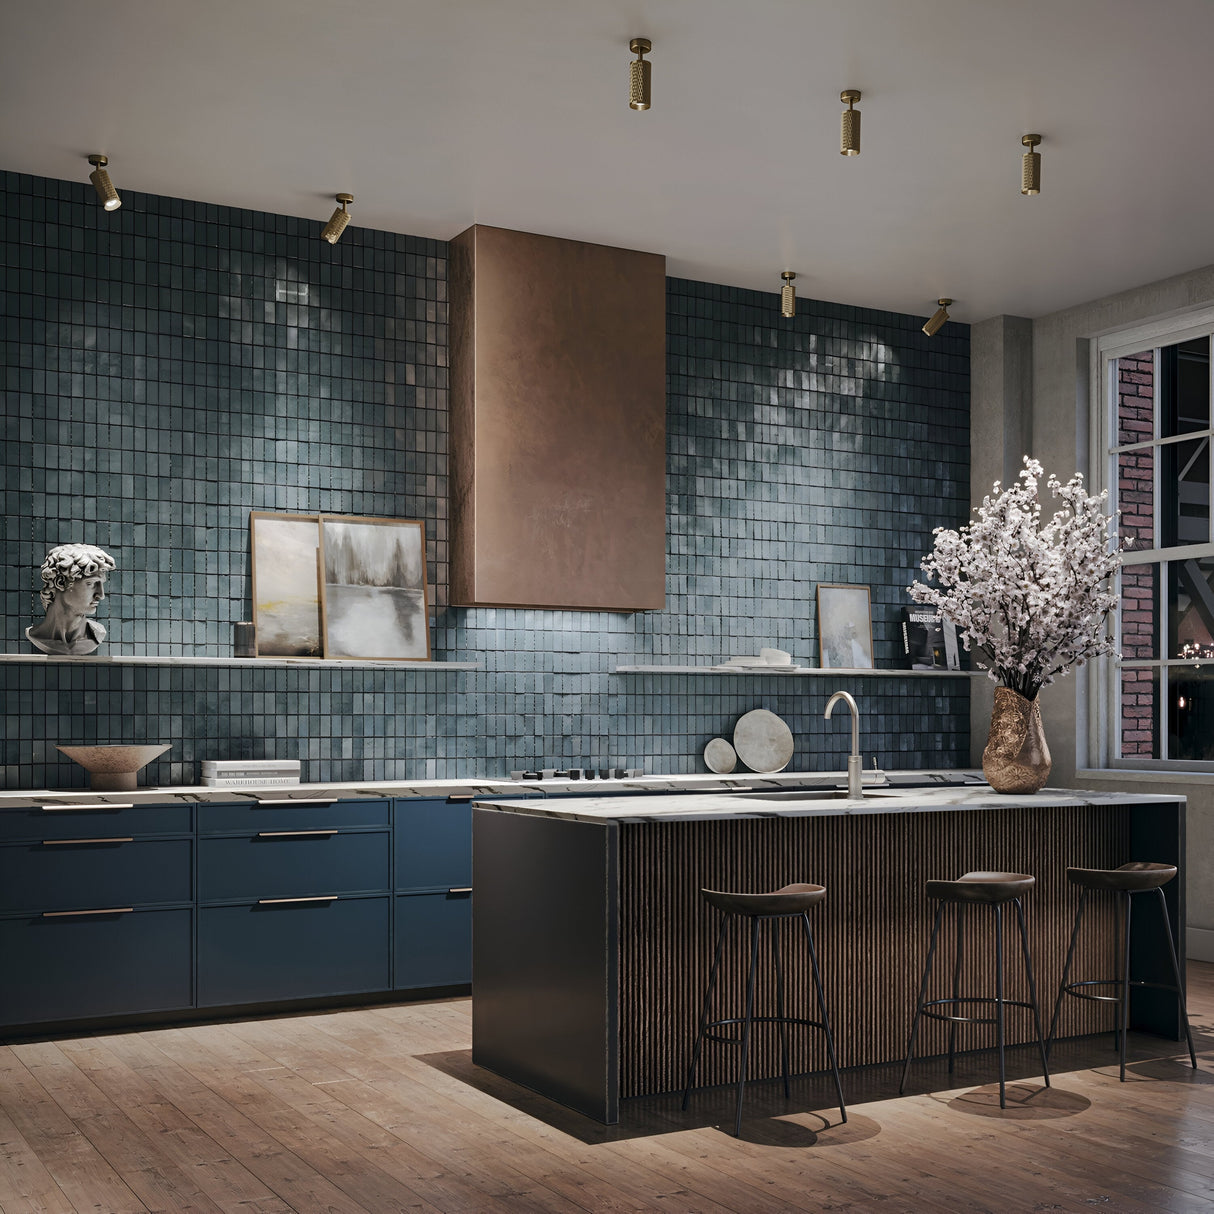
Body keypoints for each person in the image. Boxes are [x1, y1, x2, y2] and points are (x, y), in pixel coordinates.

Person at [26, 543, 116, 655]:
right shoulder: (35, 636)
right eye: (91, 583)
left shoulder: (97, 635)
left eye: (101, 584)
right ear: (60, 582)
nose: (101, 595)